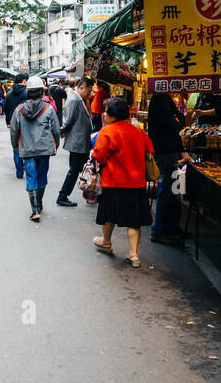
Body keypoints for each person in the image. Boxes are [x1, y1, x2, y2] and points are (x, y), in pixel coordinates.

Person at [90, 96, 154, 267]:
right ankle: (133, 254)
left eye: (106, 112)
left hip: (114, 181)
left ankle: (106, 241)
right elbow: (150, 150)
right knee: (134, 219)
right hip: (136, 182)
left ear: (111, 115)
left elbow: (98, 154)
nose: (103, 114)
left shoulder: (108, 131)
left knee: (109, 213)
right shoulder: (138, 132)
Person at [9, 76, 60, 222]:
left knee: (31, 177)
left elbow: (14, 130)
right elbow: (56, 130)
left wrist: (15, 145)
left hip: (27, 149)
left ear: (28, 92)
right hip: (44, 149)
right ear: (41, 92)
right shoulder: (48, 108)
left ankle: (35, 210)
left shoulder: (19, 110)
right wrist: (55, 145)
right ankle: (39, 203)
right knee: (42, 176)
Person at [147, 93, 193, 244]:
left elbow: (178, 121)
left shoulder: (165, 99)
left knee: (176, 190)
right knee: (167, 190)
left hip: (171, 152)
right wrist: (177, 118)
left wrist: (177, 117)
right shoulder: (159, 99)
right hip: (165, 153)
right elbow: (175, 125)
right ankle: (159, 230)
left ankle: (173, 227)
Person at [55, 77, 95, 207]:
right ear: (82, 87)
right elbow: (68, 120)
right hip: (77, 142)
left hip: (81, 141)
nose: (89, 94)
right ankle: (62, 196)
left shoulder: (79, 98)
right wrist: (62, 132)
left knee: (81, 169)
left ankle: (90, 193)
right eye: (88, 91)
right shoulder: (73, 99)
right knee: (74, 170)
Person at [4, 73, 29, 178]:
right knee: (27, 146)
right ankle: (28, 169)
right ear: (24, 81)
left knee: (15, 146)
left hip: (14, 124)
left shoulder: (9, 93)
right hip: (26, 123)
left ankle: (19, 172)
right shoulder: (27, 93)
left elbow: (6, 108)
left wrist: (8, 122)